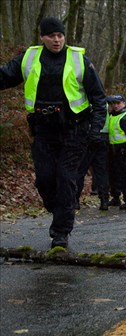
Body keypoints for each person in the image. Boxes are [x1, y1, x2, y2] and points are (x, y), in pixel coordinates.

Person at [0, 17, 106, 248]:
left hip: (75, 130)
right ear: (42, 37)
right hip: (43, 130)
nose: (57, 40)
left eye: (60, 35)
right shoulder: (29, 58)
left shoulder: (80, 60)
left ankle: (60, 232)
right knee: (45, 179)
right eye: (51, 36)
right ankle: (58, 208)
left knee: (66, 178)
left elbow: (99, 98)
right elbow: (5, 76)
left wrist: (96, 129)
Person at [75, 108, 110, 211]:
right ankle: (104, 201)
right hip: (103, 137)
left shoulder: (85, 103)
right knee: (101, 171)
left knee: (81, 170)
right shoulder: (105, 104)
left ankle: (75, 200)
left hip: (87, 137)